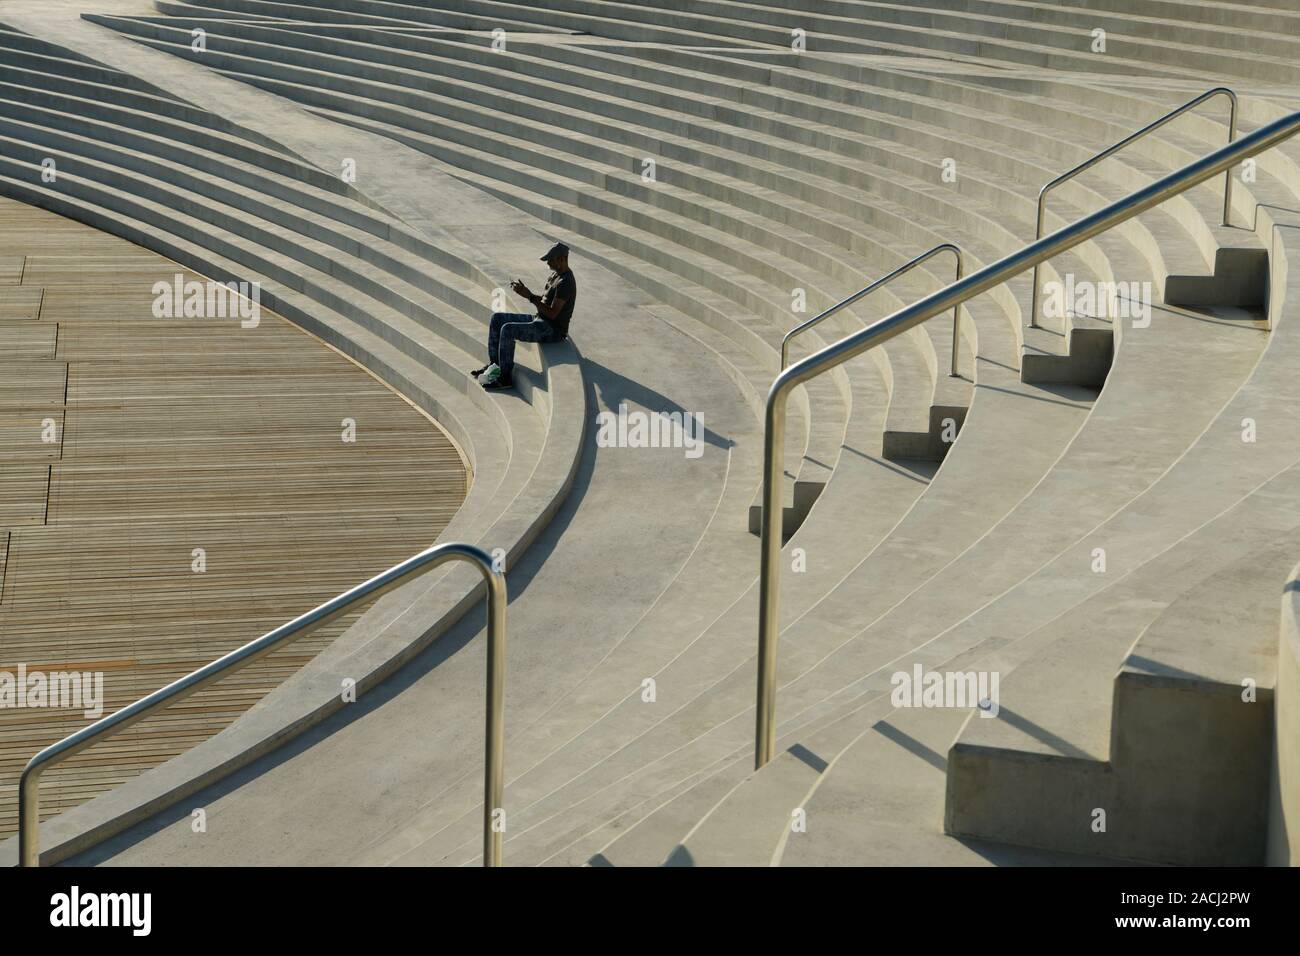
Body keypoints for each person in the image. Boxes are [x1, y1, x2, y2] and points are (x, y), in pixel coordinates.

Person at [473, 241, 576, 391]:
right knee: (497, 319)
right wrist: (526, 292)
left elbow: (553, 313)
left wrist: (530, 297)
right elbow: (546, 300)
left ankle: (505, 378)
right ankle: (494, 366)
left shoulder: (566, 282)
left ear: (562, 259)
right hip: (540, 319)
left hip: (552, 329)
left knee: (508, 330)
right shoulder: (556, 275)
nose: (548, 263)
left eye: (551, 260)